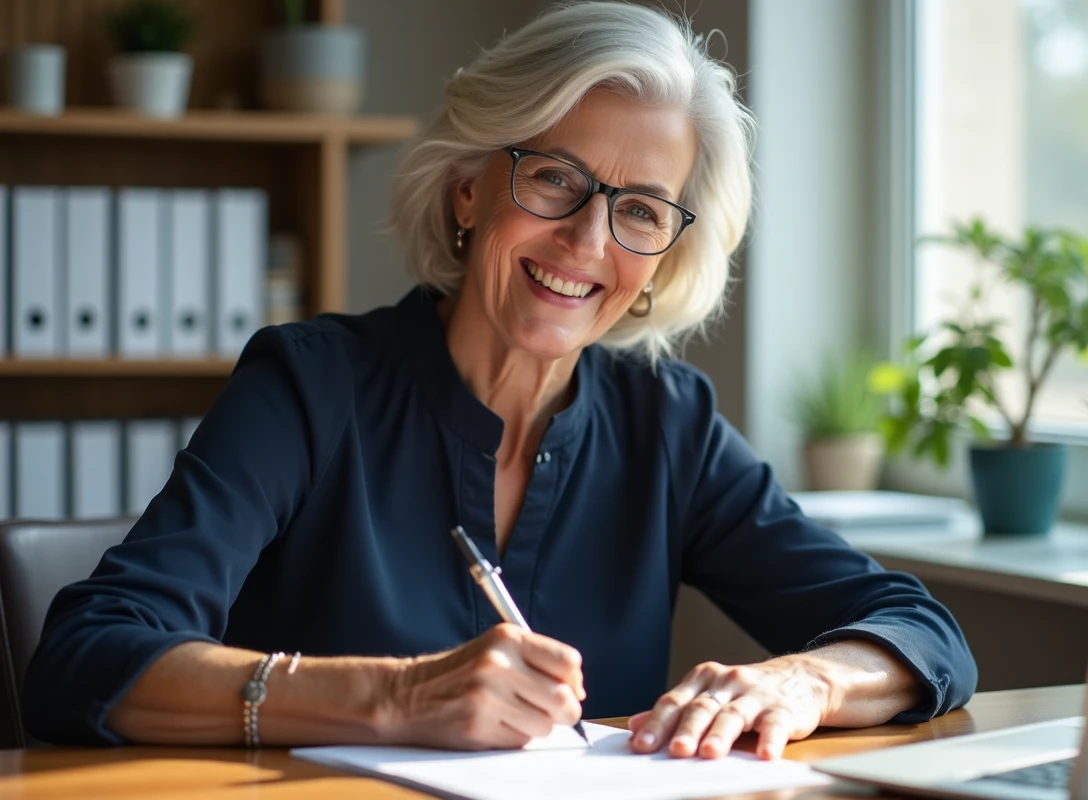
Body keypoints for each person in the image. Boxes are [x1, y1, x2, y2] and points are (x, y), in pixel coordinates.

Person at [22, 1, 976, 760]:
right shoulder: (310, 386)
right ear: (469, 186)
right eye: (554, 178)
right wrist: (393, 697)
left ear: (665, 258)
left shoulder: (668, 426)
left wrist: (802, 683)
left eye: (640, 211)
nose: (587, 242)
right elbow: (85, 659)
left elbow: (921, 633)